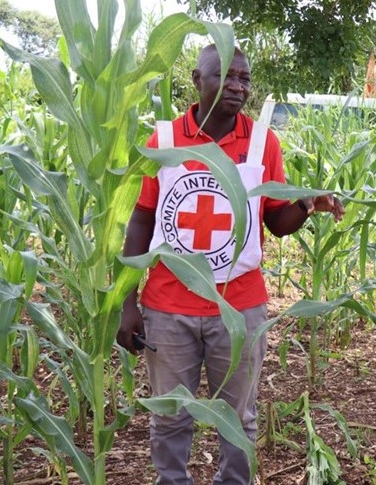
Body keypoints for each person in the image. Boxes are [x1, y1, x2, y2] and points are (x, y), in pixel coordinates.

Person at [117, 44, 343, 485]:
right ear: (197, 80)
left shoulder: (262, 141)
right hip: (168, 306)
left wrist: (306, 205)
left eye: (244, 78)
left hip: (239, 307)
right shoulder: (162, 141)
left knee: (238, 421)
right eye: (225, 76)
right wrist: (127, 300)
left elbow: (276, 222)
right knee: (170, 418)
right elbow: (141, 219)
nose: (238, 87)